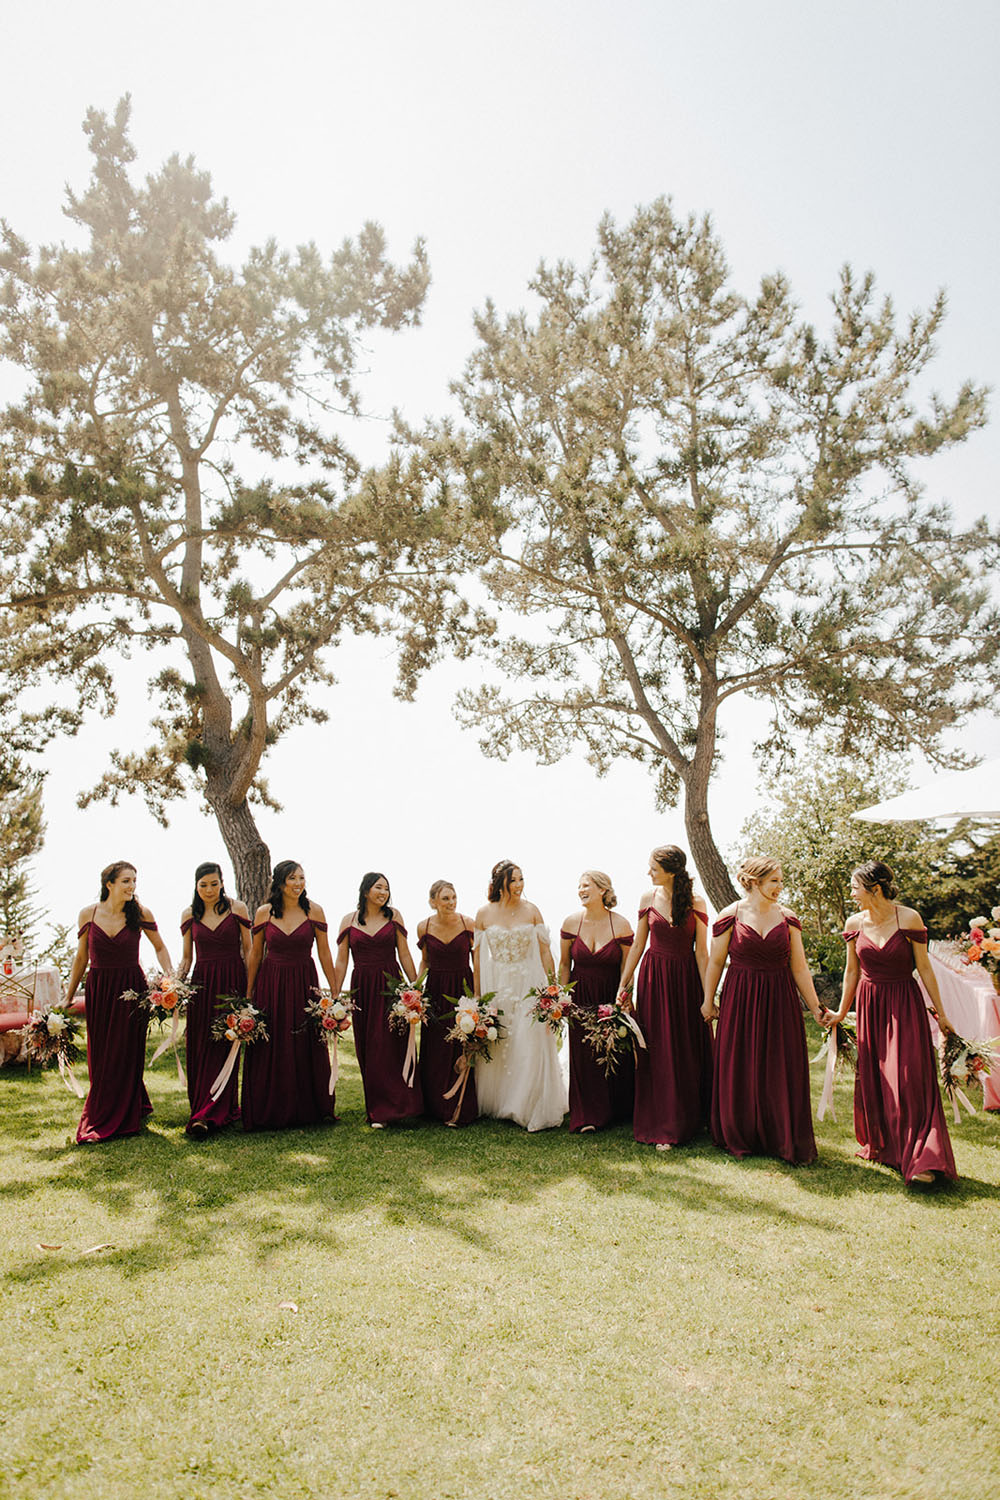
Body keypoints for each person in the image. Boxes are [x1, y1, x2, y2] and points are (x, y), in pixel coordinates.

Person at [829, 861, 956, 1186]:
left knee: (910, 1077)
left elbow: (924, 968)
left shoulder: (908, 917)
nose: (852, 893)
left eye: (855, 886)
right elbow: (851, 972)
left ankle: (924, 1157)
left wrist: (941, 1014)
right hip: (871, 1005)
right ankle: (889, 1147)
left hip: (904, 1004)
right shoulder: (854, 922)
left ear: (875, 888)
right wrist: (842, 1013)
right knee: (880, 1077)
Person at [702, 856, 827, 1165]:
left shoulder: (788, 918)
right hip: (740, 997)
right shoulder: (730, 915)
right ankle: (740, 1131)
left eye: (781, 881)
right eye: (774, 881)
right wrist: (708, 1000)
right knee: (741, 1062)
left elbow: (799, 968)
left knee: (778, 1064)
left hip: (780, 998)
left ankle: (778, 1134)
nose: (780, 887)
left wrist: (815, 1008)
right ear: (754, 882)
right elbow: (716, 961)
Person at [64, 860, 172, 1144]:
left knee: (126, 1051)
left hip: (131, 990)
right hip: (99, 989)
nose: (132, 886)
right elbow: (81, 958)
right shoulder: (88, 914)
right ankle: (115, 1107)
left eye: (134, 881)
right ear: (108, 884)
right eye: (126, 881)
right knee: (101, 1055)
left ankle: (123, 1114)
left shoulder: (140, 913)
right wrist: (68, 995)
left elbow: (159, 947)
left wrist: (170, 979)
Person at [616, 846, 710, 1149]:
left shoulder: (697, 902)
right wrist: (624, 983)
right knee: (657, 1048)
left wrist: (708, 995)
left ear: (670, 870)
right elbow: (637, 945)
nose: (648, 873)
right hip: (654, 979)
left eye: (653, 868)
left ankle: (690, 1119)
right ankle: (662, 1122)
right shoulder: (647, 899)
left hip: (686, 980)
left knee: (684, 1047)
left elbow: (702, 952)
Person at [242, 861, 338, 1131]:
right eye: (292, 878)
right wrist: (249, 992)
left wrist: (333, 991)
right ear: (280, 882)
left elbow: (324, 953)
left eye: (301, 878)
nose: (298, 883)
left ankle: (309, 1108)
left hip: (304, 982)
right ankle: (268, 1108)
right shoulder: (264, 913)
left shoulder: (314, 911)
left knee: (304, 1040)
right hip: (271, 983)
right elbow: (255, 954)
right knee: (272, 1042)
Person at [473, 859, 567, 1132]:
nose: (519, 885)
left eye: (521, 879)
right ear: (500, 883)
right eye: (513, 880)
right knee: (502, 1040)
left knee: (530, 1040)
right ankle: (502, 1100)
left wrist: (552, 988)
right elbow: (477, 960)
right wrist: (479, 996)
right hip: (499, 984)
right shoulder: (483, 914)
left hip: (529, 984)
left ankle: (526, 1104)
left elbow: (546, 951)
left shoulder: (532, 910)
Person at [332, 873, 422, 1127]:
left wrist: (415, 987)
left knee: (394, 1043)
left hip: (391, 985)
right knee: (371, 1046)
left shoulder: (394, 916)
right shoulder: (347, 921)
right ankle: (379, 1109)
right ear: (365, 891)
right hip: (363, 987)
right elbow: (341, 961)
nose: (383, 892)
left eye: (386, 888)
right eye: (378, 887)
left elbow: (404, 953)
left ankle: (406, 1105)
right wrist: (336, 996)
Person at [178, 862, 252, 1137]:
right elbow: (187, 957)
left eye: (213, 883)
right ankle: (201, 1110)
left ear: (222, 882)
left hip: (232, 982)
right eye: (203, 885)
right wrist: (176, 986)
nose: (209, 890)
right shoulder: (189, 914)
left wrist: (250, 990)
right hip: (201, 985)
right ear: (196, 886)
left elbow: (249, 949)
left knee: (226, 1043)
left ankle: (223, 1108)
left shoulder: (237, 908)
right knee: (200, 1045)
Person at [559, 870, 634, 1133]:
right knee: (583, 1054)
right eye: (579, 886)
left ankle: (618, 1108)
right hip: (579, 996)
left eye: (586, 885)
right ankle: (586, 1114)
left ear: (603, 889)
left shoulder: (621, 925)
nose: (581, 890)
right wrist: (563, 997)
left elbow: (628, 967)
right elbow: (564, 964)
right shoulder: (570, 923)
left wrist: (623, 997)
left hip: (609, 994)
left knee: (611, 1050)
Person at [416, 880, 477, 1125]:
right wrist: (414, 989)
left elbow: (478, 961)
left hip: (463, 987)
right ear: (433, 902)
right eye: (445, 899)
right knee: (436, 1044)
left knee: (462, 1041)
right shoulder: (424, 927)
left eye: (453, 897)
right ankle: (433, 1105)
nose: (451, 903)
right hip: (436, 990)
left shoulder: (468, 923)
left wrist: (478, 996)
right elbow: (425, 962)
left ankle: (460, 1104)